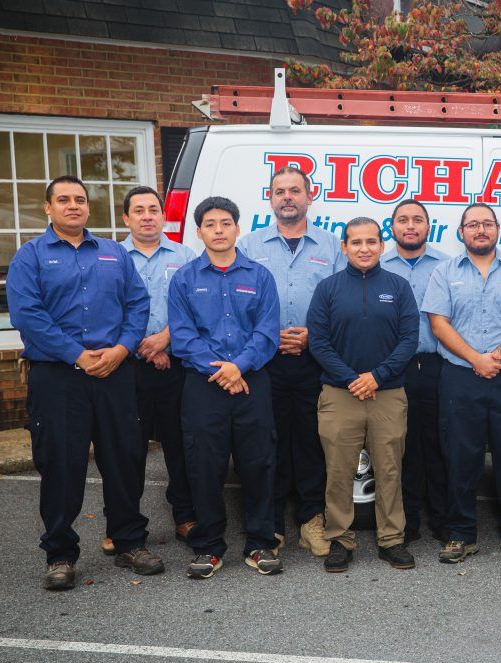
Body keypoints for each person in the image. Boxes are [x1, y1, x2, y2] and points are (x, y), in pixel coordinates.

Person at [7, 175, 163, 590]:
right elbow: (27, 315)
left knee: (124, 458)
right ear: (48, 208)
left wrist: (122, 349)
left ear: (88, 208)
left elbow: (137, 304)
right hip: (58, 376)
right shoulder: (30, 256)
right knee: (61, 464)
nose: (73, 205)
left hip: (115, 372)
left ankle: (129, 542)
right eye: (63, 200)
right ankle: (60, 554)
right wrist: (75, 353)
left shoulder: (114, 253)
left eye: (79, 199)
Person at [421, 202, 501, 565]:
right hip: (460, 378)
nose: (480, 230)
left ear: (498, 230)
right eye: (472, 224)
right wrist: (476, 358)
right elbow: (438, 323)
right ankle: (460, 534)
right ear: (461, 232)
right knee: (460, 455)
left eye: (487, 223)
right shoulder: (445, 272)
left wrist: (496, 356)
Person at [168, 196, 282, 579]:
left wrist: (239, 367)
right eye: (210, 224)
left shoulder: (260, 276)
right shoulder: (184, 279)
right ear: (199, 232)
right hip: (203, 385)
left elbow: (267, 332)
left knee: (259, 463)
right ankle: (209, 547)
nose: (218, 230)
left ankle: (260, 543)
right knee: (204, 465)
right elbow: (183, 337)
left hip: (252, 382)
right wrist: (222, 371)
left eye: (225, 223)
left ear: (237, 228)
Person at [237, 166, 344, 557]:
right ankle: (273, 523)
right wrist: (269, 335)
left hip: (315, 359)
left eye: (295, 190)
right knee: (269, 442)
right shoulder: (249, 245)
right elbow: (239, 301)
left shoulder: (331, 246)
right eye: (279, 191)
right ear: (270, 198)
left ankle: (312, 520)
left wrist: (314, 335)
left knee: (313, 441)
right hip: (265, 361)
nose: (287, 197)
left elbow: (342, 301)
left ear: (309, 196)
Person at [308, 217, 420, 572]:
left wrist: (377, 376)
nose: (364, 248)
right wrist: (352, 378)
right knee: (338, 470)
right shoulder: (327, 288)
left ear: (382, 246)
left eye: (371, 241)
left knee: (389, 469)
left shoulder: (399, 287)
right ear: (344, 247)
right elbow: (318, 341)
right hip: (340, 393)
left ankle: (391, 540)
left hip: (388, 393)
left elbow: (409, 339)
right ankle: (340, 539)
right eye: (356, 242)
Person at [103, 186, 197, 556]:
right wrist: (144, 346)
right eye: (139, 210)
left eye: (153, 210)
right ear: (126, 218)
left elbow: (195, 306)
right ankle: (120, 524)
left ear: (163, 216)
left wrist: (165, 340)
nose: (147, 216)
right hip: (126, 368)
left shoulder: (185, 256)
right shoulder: (110, 257)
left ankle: (185, 516)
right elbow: (106, 309)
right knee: (126, 448)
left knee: (180, 445)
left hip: (175, 364)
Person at [381, 199, 450, 544]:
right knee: (399, 447)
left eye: (418, 220)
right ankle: (405, 522)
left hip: (436, 365)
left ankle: (442, 520)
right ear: (391, 226)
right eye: (403, 220)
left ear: (428, 226)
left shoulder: (446, 266)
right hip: (394, 368)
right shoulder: (378, 265)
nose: (410, 226)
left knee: (439, 444)